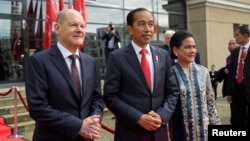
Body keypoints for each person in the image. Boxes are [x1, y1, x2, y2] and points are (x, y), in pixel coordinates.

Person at [25, 9, 104, 141]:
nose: (79, 30)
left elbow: (97, 99)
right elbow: (38, 107)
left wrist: (95, 119)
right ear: (57, 28)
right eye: (73, 25)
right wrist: (79, 126)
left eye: (82, 26)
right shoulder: (39, 61)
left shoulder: (90, 62)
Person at [103, 8, 180, 141]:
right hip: (130, 133)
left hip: (158, 131)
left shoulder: (163, 56)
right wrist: (138, 118)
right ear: (130, 29)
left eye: (151, 24)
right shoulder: (117, 57)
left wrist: (161, 116)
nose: (148, 29)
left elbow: (173, 91)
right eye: (141, 24)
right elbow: (110, 97)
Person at [169, 30, 221, 141]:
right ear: (175, 50)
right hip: (180, 133)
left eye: (194, 47)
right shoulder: (169, 74)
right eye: (187, 47)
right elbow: (168, 107)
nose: (192, 51)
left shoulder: (203, 71)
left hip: (204, 132)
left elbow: (210, 103)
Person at [226, 25, 249, 126]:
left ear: (245, 35)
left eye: (237, 35)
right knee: (236, 117)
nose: (235, 37)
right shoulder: (235, 52)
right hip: (237, 87)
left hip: (248, 87)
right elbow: (231, 73)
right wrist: (229, 92)